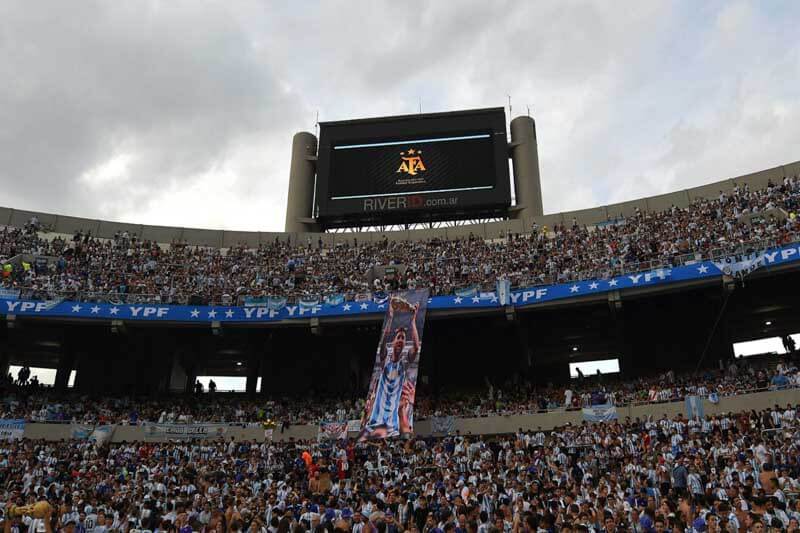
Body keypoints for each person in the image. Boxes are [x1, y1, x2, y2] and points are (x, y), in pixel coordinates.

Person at [361, 298, 421, 439]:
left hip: (392, 423)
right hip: (375, 420)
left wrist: (413, 321)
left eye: (403, 338)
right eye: (398, 337)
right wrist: (390, 318)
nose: (400, 340)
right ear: (393, 342)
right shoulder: (384, 360)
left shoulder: (404, 363)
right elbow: (382, 343)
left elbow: (416, 347)